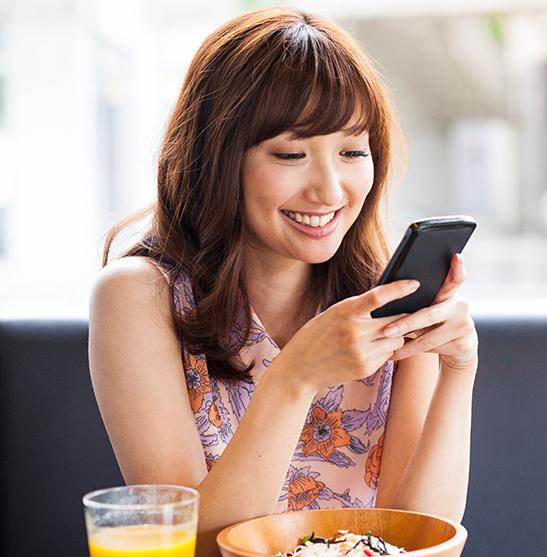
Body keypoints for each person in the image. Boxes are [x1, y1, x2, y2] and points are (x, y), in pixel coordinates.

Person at [88, 7, 478, 556]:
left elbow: (414, 537)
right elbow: (192, 547)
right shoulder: (138, 298)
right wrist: (295, 377)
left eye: (351, 152)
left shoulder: (387, 301)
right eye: (291, 154)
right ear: (219, 158)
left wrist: (458, 372)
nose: (329, 190)